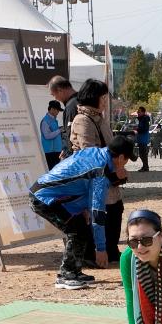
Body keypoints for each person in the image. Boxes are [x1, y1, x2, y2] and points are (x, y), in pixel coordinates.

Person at [29, 136, 137, 290]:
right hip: (44, 198)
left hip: (46, 193)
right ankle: (65, 275)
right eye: (127, 159)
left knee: (81, 227)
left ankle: (74, 271)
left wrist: (82, 209)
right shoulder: (100, 173)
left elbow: (78, 179)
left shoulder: (97, 153)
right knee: (76, 230)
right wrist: (101, 249)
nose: (126, 164)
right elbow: (97, 213)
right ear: (120, 158)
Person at [70, 79, 124, 263]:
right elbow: (89, 153)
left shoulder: (99, 118)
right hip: (95, 179)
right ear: (96, 98)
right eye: (103, 97)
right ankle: (95, 254)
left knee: (115, 211)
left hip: (109, 177)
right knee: (99, 214)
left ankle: (110, 249)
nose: (105, 101)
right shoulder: (83, 120)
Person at [40, 100, 64, 169]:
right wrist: (59, 130)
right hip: (50, 152)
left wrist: (59, 129)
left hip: (56, 150)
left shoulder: (53, 119)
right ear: (52, 109)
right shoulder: (45, 121)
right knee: (53, 171)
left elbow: (53, 132)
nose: (58, 112)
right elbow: (47, 136)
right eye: (57, 110)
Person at [133, 106, 151, 173]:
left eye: (139, 112)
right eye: (138, 111)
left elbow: (144, 129)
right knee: (142, 153)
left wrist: (137, 130)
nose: (138, 113)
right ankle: (145, 166)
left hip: (143, 138)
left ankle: (146, 167)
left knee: (142, 153)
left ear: (143, 112)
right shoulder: (142, 119)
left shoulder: (144, 119)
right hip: (141, 138)